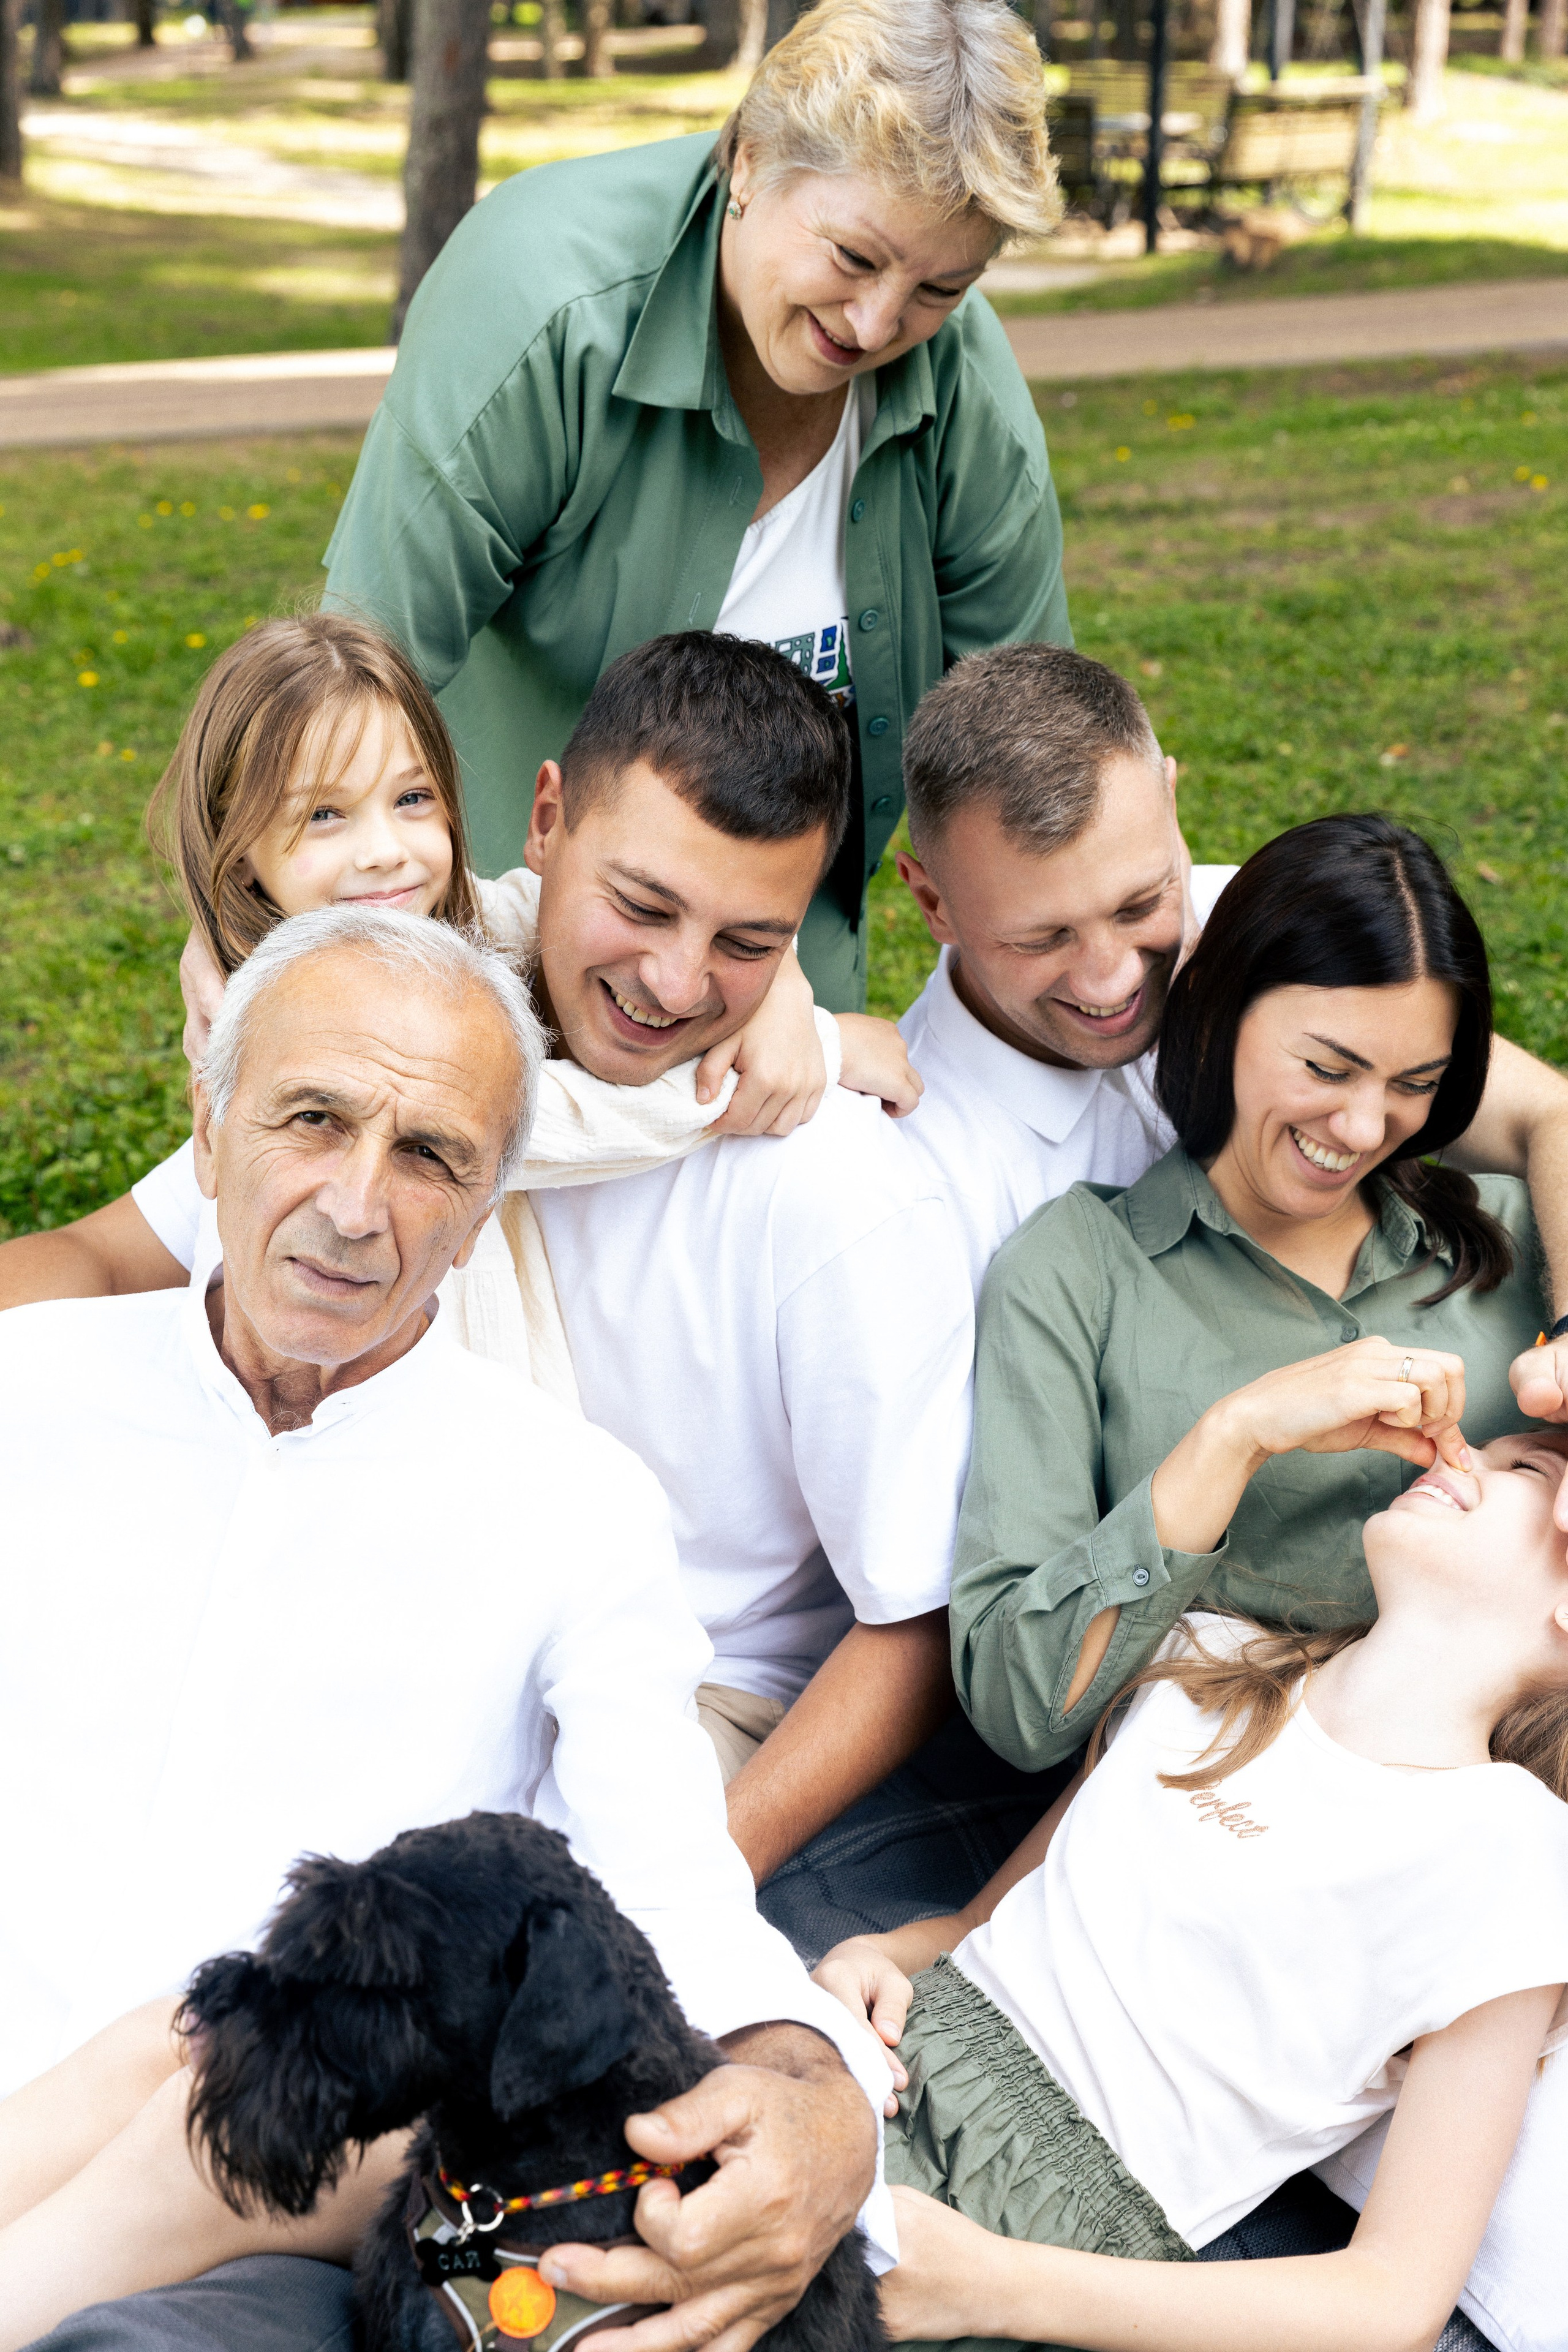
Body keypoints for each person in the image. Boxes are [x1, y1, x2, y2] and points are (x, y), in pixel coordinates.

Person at [0, 908, 891, 2351]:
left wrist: (814, 2100)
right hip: (51, 2091)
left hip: (268, 2161)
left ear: (482, 1212)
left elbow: (663, 1888)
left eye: (430, 1158)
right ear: (209, 1120)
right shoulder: (25, 1384)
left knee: (190, 2053)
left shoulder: (570, 1503)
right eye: (313, 1118)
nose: (357, 1204)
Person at [3, 633, 976, 1887]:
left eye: (749, 943)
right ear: (543, 822)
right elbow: (103, 1255)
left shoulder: (826, 1181)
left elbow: (913, 1628)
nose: (674, 983)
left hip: (676, 1701)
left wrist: (666, 1887)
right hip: (408, 1618)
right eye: (639, 905)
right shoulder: (411, 1056)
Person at [320, 0, 1071, 1009]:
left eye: (941, 287)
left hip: (787, 996)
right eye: (852, 257)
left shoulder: (959, 372)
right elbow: (355, 678)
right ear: (750, 162)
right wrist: (265, 953)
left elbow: (1027, 738)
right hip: (499, 971)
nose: (880, 322)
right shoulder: (542, 304)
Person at [812, 1430, 1568, 2352]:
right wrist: (868, 1958)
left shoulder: (1515, 1854)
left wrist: (988, 2287)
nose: (1463, 1453)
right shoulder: (1211, 1661)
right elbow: (976, 1924)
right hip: (871, 2067)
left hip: (1026, 2246)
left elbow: (1395, 2300)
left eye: (1525, 1469)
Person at [0, 613, 916, 1321]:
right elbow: (532, 1123)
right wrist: (820, 1053)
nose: (385, 853)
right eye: (325, 816)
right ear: (244, 855)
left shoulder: (463, 932)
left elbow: (545, 907)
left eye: (411, 799)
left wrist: (780, 980)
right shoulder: (300, 1040)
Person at [951, 813, 1550, 1777]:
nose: (1362, 1126)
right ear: (1223, 1009)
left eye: (1416, 1083)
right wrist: (1240, 1434)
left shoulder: (1523, 1236)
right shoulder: (1077, 1272)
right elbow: (1020, 1705)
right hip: (1209, 1836)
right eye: (1327, 1067)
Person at [894, 646, 1568, 1327]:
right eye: (1040, 938)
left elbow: (1548, 1115)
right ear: (932, 902)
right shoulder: (917, 1177)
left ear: (1171, 798)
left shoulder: (1256, 925)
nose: (1113, 980)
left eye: (1141, 904)